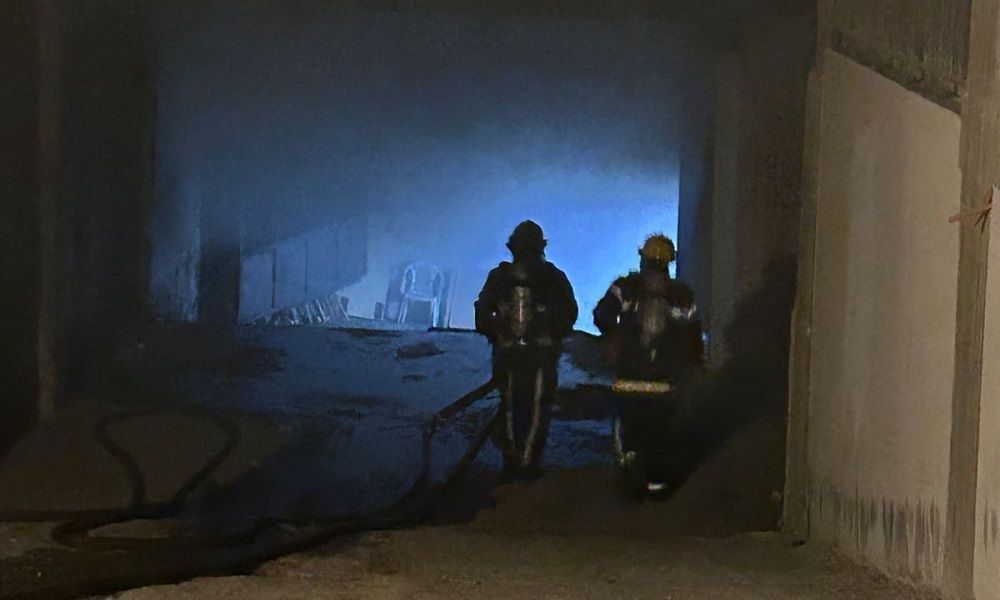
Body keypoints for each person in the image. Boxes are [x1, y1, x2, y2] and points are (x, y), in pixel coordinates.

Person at [593, 233, 704, 496]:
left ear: (642, 259)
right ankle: (657, 485)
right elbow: (693, 339)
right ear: (669, 262)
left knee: (628, 432)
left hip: (628, 381)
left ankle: (629, 477)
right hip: (664, 385)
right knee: (661, 435)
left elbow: (601, 316)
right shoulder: (683, 296)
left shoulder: (624, 288)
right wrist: (692, 366)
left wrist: (615, 337)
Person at [475, 220, 578, 478]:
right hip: (530, 357)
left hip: (523, 357)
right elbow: (568, 315)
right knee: (528, 409)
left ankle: (518, 464)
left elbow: (567, 315)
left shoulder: (505, 278)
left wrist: (501, 330)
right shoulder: (551, 278)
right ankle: (523, 464)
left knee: (519, 407)